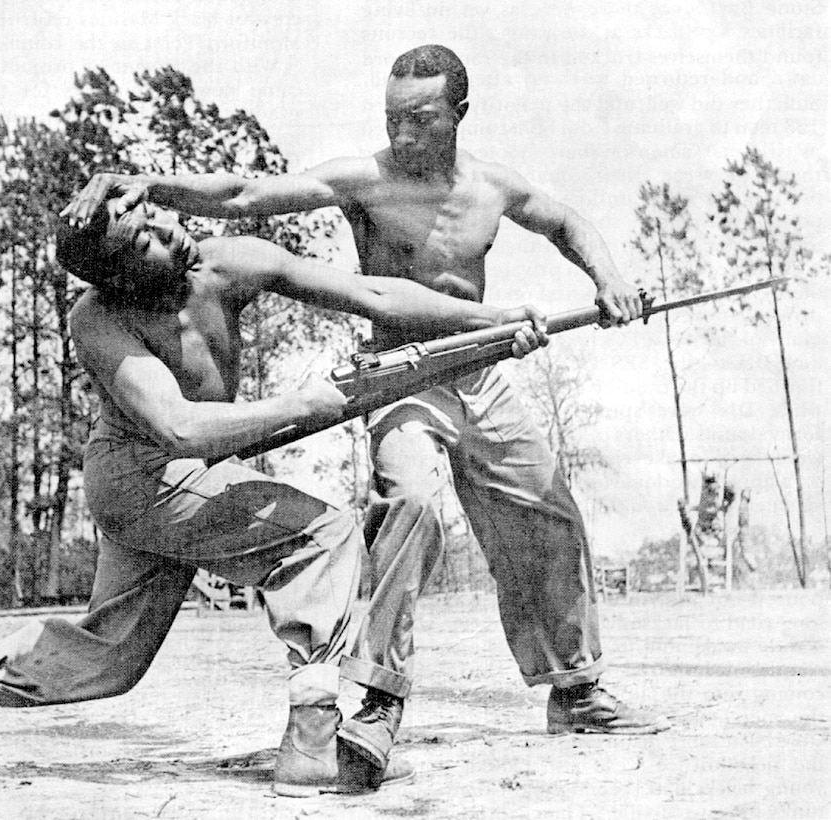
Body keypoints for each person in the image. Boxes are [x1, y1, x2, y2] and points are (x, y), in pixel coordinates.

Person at [63, 43, 671, 771]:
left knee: (546, 508)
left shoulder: (492, 187)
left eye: (420, 120)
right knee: (409, 500)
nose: (403, 137)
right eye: (393, 119)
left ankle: (574, 691)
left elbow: (566, 221)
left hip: (485, 371)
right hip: (403, 375)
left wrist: (609, 279)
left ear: (458, 115)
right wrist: (147, 181)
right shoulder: (364, 179)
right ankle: (377, 703)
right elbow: (242, 197)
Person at [0, 195, 547, 795]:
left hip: (179, 479)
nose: (168, 230)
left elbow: (373, 295)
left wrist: (483, 321)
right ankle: (312, 742)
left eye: (156, 213)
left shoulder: (226, 262)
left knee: (110, 657)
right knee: (324, 534)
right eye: (145, 238)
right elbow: (179, 429)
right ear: (116, 275)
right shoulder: (98, 320)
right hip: (139, 481)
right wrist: (299, 404)